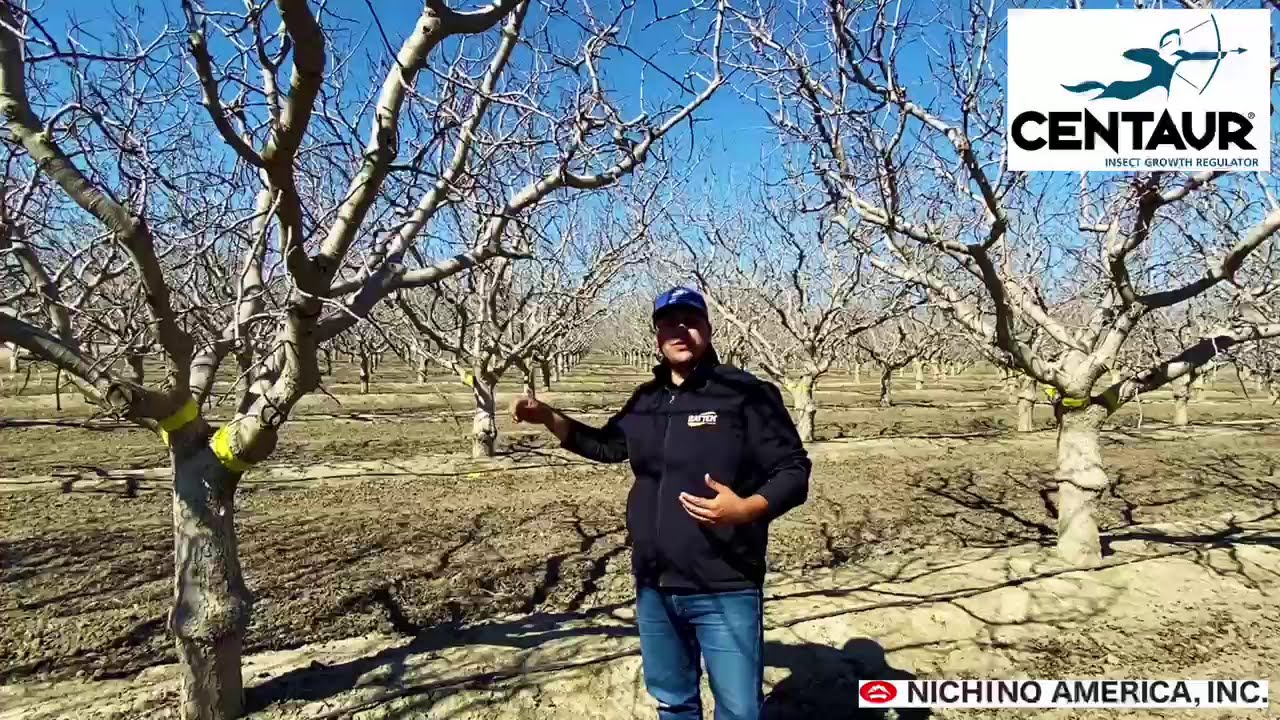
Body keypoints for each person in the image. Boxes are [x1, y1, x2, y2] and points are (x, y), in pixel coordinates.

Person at [511, 286, 812, 720]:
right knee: (673, 704)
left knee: (739, 710)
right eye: (669, 323)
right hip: (655, 583)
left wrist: (748, 508)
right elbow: (608, 446)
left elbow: (793, 470)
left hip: (724, 585)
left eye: (689, 321)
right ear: (657, 335)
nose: (680, 331)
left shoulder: (745, 393)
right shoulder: (646, 399)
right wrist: (550, 417)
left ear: (707, 328)